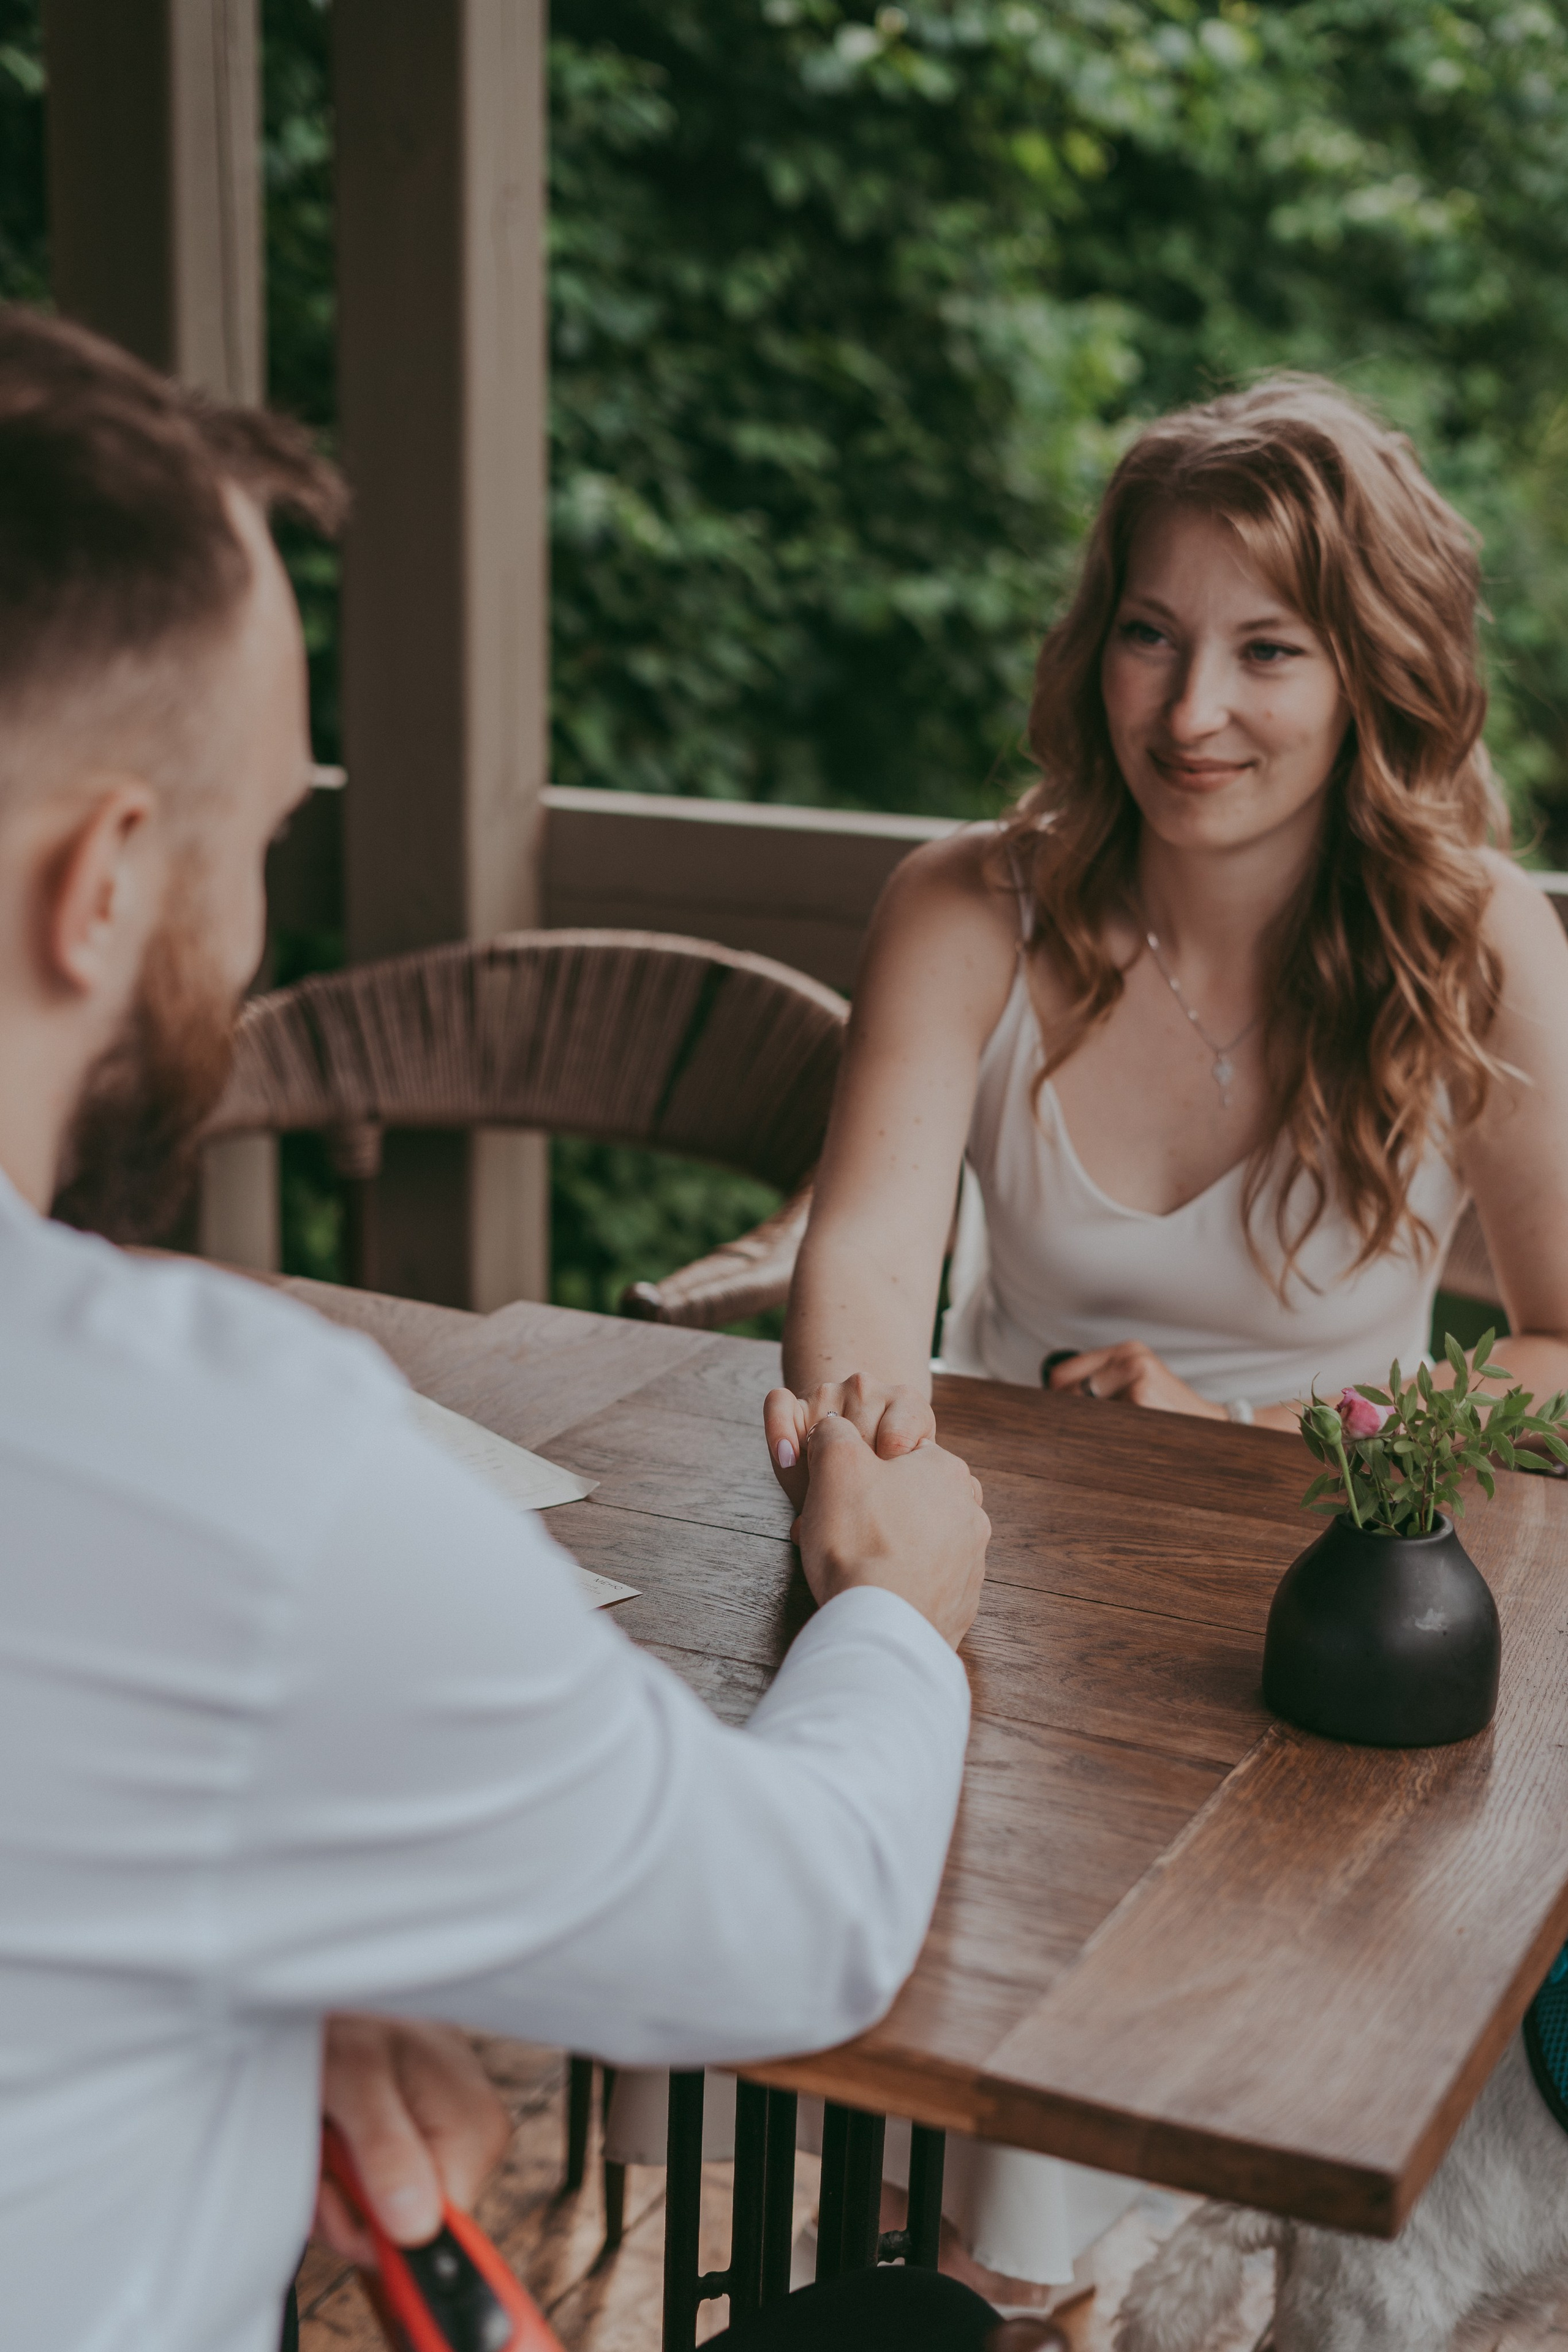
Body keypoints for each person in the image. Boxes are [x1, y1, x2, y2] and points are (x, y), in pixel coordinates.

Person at [0, 307, 1004, 2352]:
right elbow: (791, 1927)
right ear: (107, 880)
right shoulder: (227, 1481)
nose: (257, 917)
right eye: (258, 843)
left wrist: (238, 1994)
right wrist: (894, 1612)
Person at [766, 374, 1568, 2293]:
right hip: (1014, 1590)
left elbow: (1565, 1346)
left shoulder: (1489, 943)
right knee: (959, 2147)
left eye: (1266, 649)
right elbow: (865, 1266)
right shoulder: (967, 904)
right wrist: (883, 1475)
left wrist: (1311, 1440)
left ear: (1375, 670)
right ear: (1094, 643)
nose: (1190, 713)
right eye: (1150, 633)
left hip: (1336, 1638)